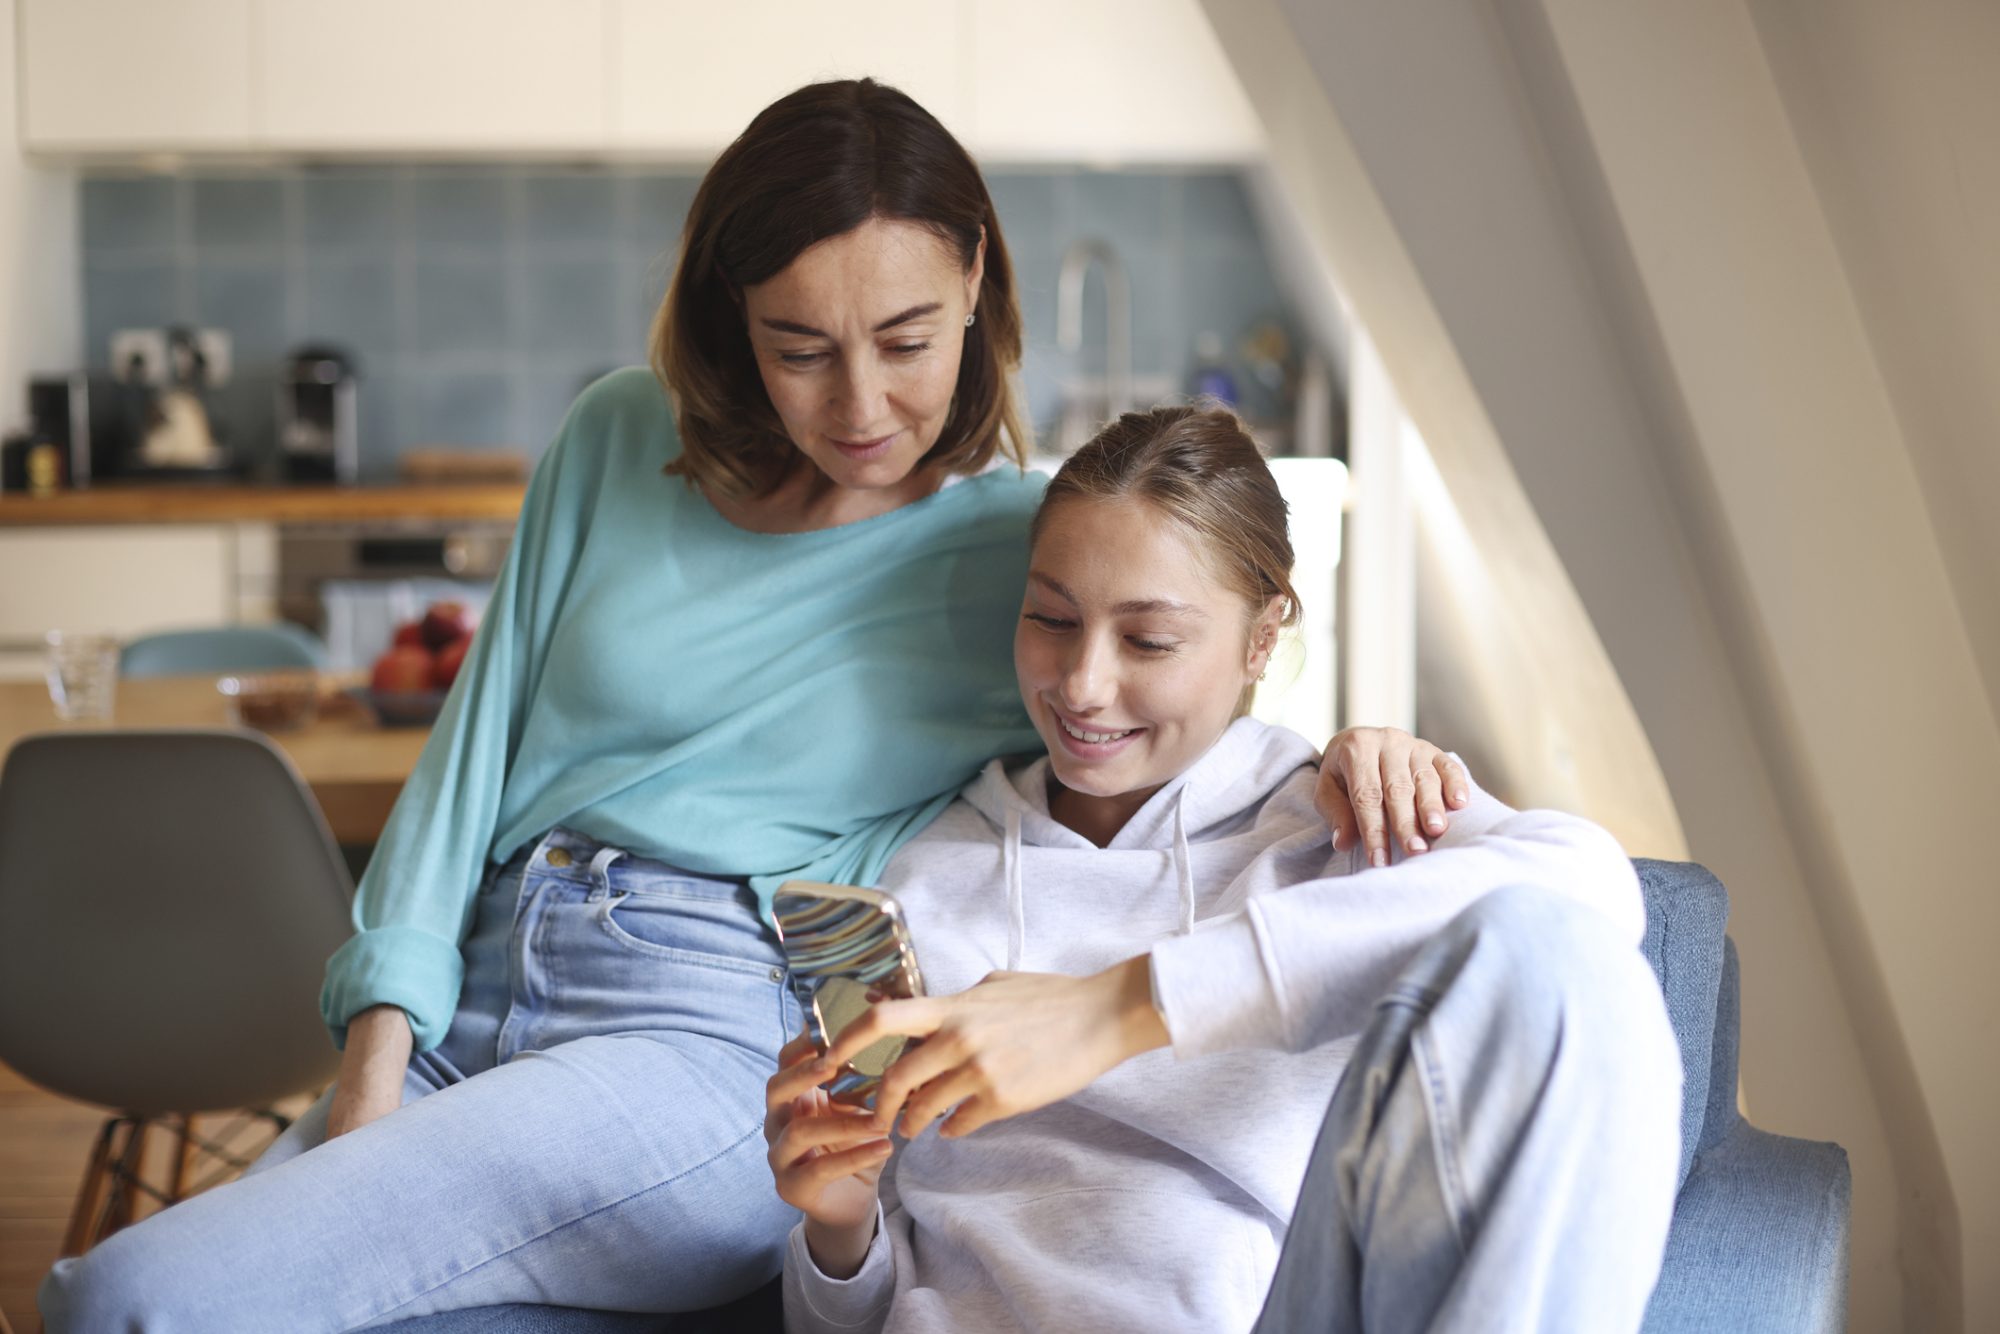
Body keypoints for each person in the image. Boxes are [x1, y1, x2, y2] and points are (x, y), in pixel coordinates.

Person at [40, 82, 1462, 1332]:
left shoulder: (1026, 551)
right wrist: (375, 1060)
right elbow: (463, 773)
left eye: (906, 339)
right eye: (800, 346)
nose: (860, 403)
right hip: (474, 995)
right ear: (735, 320)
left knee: (122, 1296)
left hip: (704, 1038)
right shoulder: (612, 437)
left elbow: (1181, 670)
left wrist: (1353, 745)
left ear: (976, 278)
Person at [767, 405, 1683, 1334]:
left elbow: (1591, 896)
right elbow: (848, 1314)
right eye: (1052, 618)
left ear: (1261, 637)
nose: (1081, 684)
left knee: (1567, 965)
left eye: (1149, 641)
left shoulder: (1341, 827)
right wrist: (839, 1233)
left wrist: (1119, 1007)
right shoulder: (925, 879)